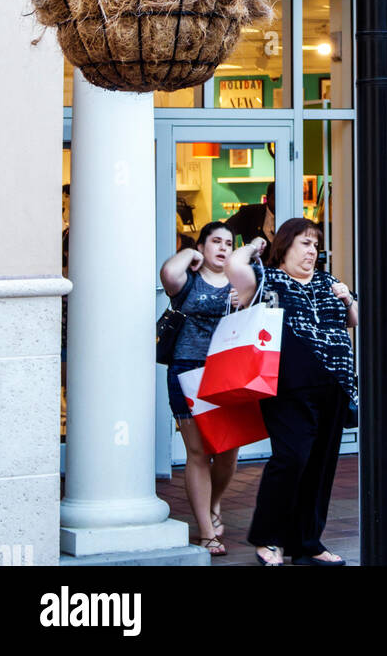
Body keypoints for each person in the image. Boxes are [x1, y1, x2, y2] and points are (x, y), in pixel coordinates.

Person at [227, 218, 357, 567]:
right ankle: (268, 537)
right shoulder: (269, 280)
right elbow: (234, 265)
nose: (312, 251)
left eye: (316, 245)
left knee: (321, 465)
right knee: (292, 459)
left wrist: (347, 298)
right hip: (288, 388)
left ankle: (308, 543)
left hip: (335, 385)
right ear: (284, 247)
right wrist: (256, 246)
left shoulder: (330, 282)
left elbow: (355, 320)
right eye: (304, 243)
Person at [159, 221, 240, 556]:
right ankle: (206, 532)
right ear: (204, 247)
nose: (222, 248)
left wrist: (242, 299)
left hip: (229, 373)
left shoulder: (241, 281)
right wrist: (190, 251)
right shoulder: (188, 280)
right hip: (187, 370)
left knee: (227, 452)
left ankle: (214, 501)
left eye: (228, 243)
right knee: (197, 453)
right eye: (215, 242)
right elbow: (167, 273)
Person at [224, 181, 276, 247]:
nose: (278, 203)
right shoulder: (249, 213)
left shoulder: (290, 214)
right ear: (267, 198)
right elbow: (225, 229)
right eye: (274, 198)